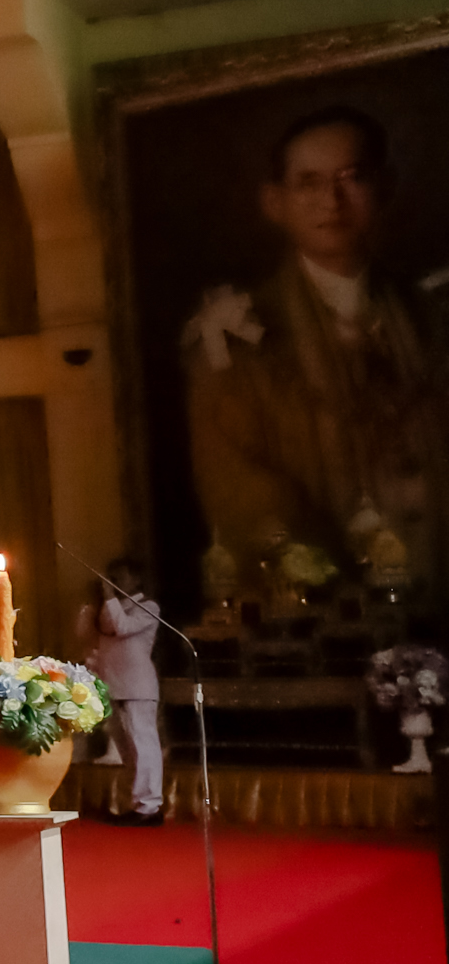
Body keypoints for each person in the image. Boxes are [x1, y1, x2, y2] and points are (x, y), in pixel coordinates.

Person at [185, 105, 449, 585]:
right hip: (334, 618)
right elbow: (244, 495)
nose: (333, 200)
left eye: (352, 177)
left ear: (384, 187)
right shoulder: (233, 345)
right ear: (275, 202)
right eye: (309, 182)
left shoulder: (434, 318)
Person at [87, 562, 168, 822]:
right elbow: (87, 631)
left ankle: (150, 806)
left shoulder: (148, 607)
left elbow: (123, 627)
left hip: (137, 687)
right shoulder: (109, 609)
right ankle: (137, 803)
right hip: (113, 684)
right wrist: (97, 601)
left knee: (144, 746)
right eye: (111, 578)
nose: (115, 582)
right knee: (128, 750)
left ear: (136, 579)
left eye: (120, 577)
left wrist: (110, 597)